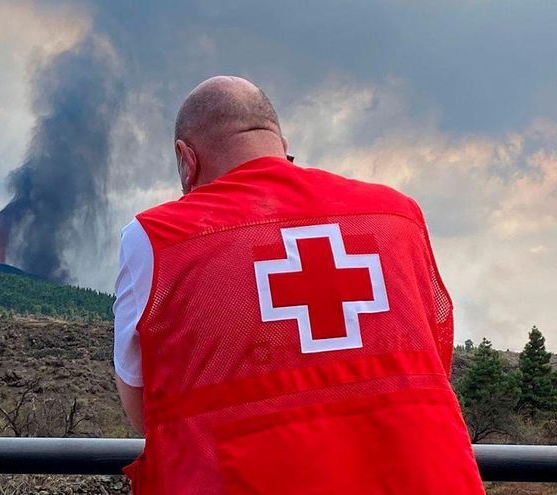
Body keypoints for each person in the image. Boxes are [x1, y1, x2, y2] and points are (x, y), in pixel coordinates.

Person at [112, 75, 485, 494]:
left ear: (186, 159)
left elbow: (147, 405)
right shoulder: (399, 216)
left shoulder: (155, 239)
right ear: (278, 141)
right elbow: (435, 355)